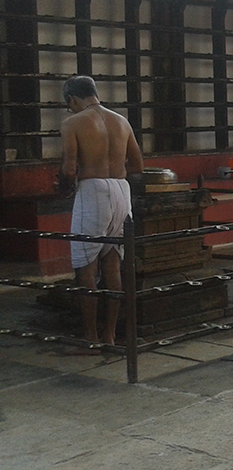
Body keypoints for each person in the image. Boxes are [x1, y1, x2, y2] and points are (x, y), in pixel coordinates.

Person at [59, 75, 144, 349]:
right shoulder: (121, 121)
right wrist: (113, 176)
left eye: (68, 104)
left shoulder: (73, 122)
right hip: (121, 189)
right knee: (112, 264)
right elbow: (138, 165)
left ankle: (90, 337)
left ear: (72, 98)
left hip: (93, 190)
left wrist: (67, 185)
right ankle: (109, 334)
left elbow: (69, 169)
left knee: (85, 266)